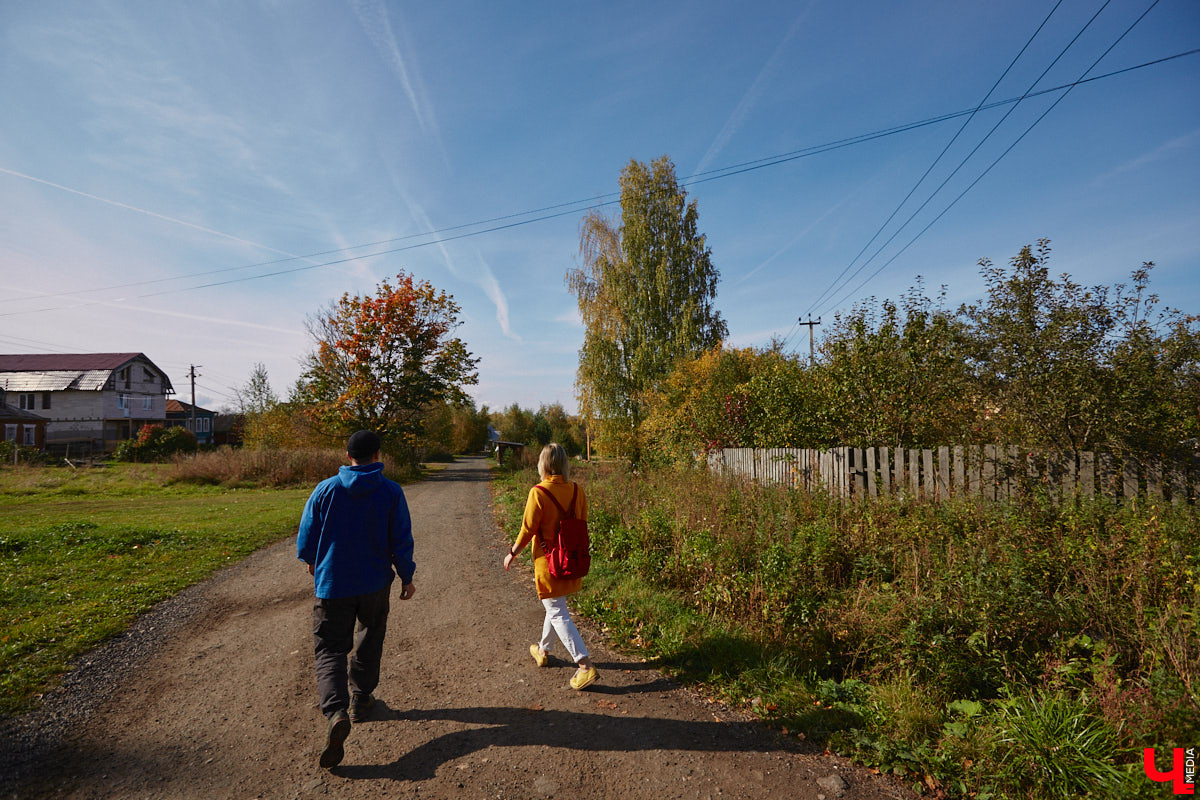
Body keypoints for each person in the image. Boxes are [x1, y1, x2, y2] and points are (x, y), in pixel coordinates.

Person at [297, 430, 416, 769]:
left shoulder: (325, 489)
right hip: (375, 583)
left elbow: (307, 535)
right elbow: (401, 538)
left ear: (348, 455)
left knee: (330, 648)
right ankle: (361, 700)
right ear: (377, 455)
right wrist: (406, 576)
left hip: (333, 584)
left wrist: (311, 560)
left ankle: (336, 711)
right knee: (371, 635)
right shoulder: (391, 491)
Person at [503, 442, 597, 690]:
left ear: (543, 464)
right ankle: (543, 650)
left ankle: (584, 665)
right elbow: (582, 522)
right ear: (564, 464)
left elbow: (528, 529)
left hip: (549, 563)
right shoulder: (577, 490)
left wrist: (512, 553)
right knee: (554, 606)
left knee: (556, 610)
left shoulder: (539, 492)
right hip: (572, 559)